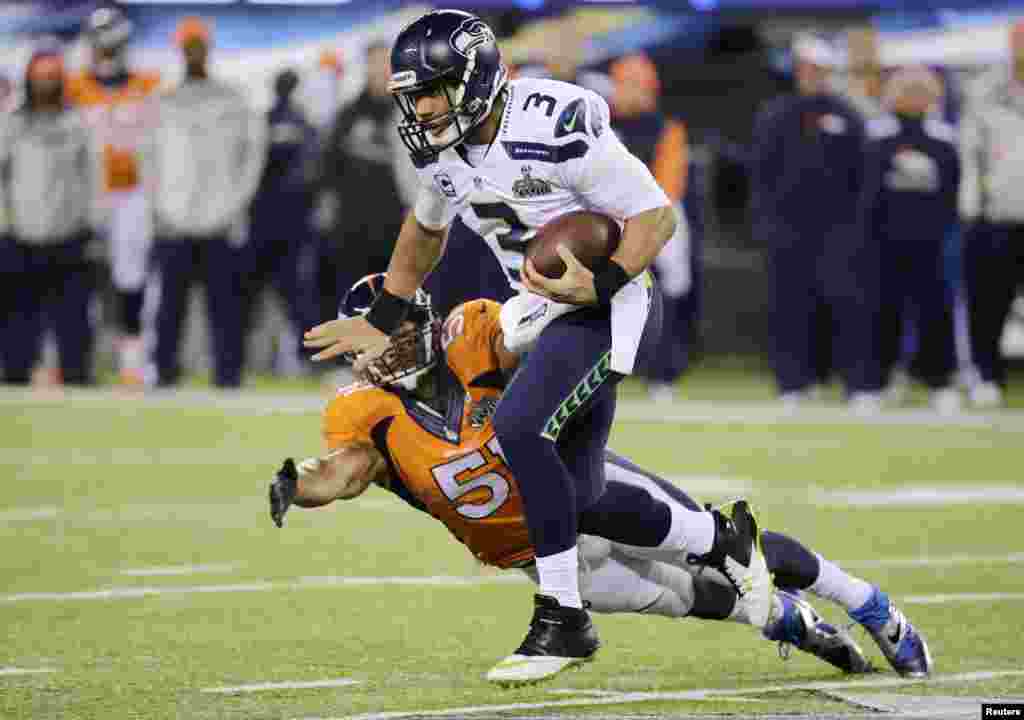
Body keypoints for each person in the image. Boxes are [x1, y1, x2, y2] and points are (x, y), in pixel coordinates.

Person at [299, 9, 741, 683]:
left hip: (613, 300)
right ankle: (723, 543)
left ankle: (563, 617)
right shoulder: (442, 148)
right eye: (412, 94)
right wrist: (384, 315)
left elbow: (656, 215)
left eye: (432, 90)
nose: (420, 108)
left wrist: (607, 278)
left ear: (474, 81)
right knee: (582, 493)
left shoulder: (551, 120)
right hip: (544, 313)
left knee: (517, 427)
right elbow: (425, 231)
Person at [274, 274, 931, 683]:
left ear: (419, 321)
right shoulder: (366, 415)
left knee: (722, 547)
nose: (381, 349)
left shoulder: (472, 333)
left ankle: (872, 606)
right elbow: (338, 475)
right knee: (692, 598)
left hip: (588, 491)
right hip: (541, 556)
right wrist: (295, 486)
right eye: (369, 338)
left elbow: (546, 338)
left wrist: (546, 304)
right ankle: (794, 624)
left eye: (390, 331)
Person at [751, 34, 881, 412]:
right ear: (798, 71)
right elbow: (762, 173)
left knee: (849, 307)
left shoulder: (847, 114)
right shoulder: (775, 114)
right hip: (787, 230)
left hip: (840, 231)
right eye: (809, 69)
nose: (814, 76)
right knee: (789, 307)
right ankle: (793, 383)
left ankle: (859, 385)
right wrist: (767, 223)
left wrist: (858, 226)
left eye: (821, 70)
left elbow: (864, 175)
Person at [148, 17, 265, 388]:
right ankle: (164, 377)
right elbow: (146, 158)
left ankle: (228, 379)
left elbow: (253, 155)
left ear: (208, 49)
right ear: (180, 51)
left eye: (198, 46)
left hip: (221, 220)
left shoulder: (233, 98)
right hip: (174, 221)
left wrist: (237, 205)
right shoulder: (162, 100)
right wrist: (158, 207)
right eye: (187, 47)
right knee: (170, 310)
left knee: (226, 309)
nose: (193, 53)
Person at [67, 6, 161, 386]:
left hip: (131, 192)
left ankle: (132, 361)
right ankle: (74, 358)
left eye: (114, 43)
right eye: (102, 43)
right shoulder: (73, 88)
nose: (108, 51)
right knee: (78, 276)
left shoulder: (148, 84)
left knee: (131, 278)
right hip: (83, 194)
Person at [863, 68, 961, 413]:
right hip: (885, 242)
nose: (914, 97)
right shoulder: (877, 136)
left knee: (936, 312)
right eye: (907, 90)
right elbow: (867, 192)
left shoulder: (945, 139)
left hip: (931, 242)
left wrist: (943, 230)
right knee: (882, 312)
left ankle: (941, 381)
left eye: (921, 90)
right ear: (893, 94)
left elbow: (952, 192)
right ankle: (876, 382)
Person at [0, 41, 98, 386]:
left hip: (69, 237)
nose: (46, 83)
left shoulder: (77, 122)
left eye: (52, 76)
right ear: (29, 79)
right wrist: (6, 225)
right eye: (40, 76)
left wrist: (91, 223)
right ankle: (14, 383)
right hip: (20, 237)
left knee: (73, 324)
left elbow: (92, 176)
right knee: (17, 326)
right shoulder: (11, 123)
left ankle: (76, 382)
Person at [609, 53, 696, 401]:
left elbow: (669, 185)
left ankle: (664, 371)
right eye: (623, 85)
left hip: (656, 212)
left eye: (635, 85)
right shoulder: (600, 122)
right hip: (607, 214)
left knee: (669, 290)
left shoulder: (666, 128)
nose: (629, 93)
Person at [958, 20, 1024, 409]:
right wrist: (972, 209)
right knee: (989, 302)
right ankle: (985, 375)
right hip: (996, 215)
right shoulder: (983, 90)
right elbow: (969, 152)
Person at [244, 68, 319, 373]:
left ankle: (240, 360)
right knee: (295, 295)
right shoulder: (302, 125)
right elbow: (311, 173)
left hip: (267, 220)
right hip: (290, 222)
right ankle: (307, 360)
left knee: (260, 294)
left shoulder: (265, 122)